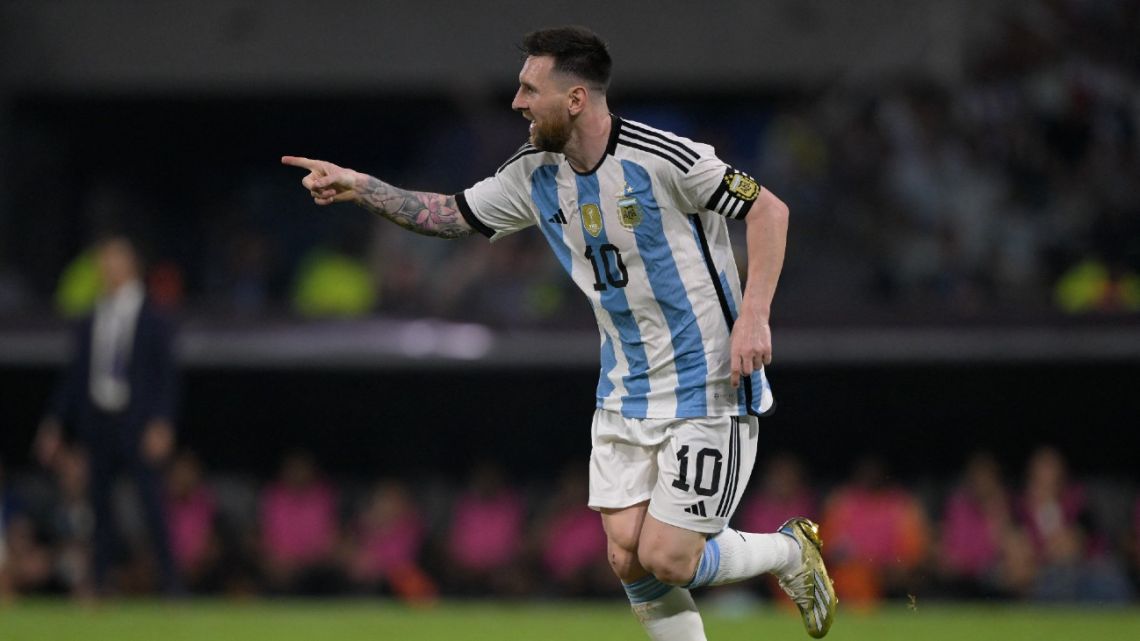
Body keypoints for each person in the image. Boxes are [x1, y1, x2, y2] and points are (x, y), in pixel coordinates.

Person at [283, 26, 836, 639]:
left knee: (669, 558)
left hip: (707, 381)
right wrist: (361, 187)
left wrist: (755, 314)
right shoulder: (532, 172)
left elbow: (769, 209)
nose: (517, 102)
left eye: (529, 88)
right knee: (627, 556)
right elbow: (450, 216)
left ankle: (789, 553)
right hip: (625, 388)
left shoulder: (666, 158)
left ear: (574, 99)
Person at [33, 235, 181, 596]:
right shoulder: (92, 317)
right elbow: (75, 377)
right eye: (103, 261)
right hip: (99, 421)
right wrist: (55, 423)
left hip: (137, 422)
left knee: (151, 505)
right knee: (99, 506)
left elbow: (167, 376)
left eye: (112, 260)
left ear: (130, 265)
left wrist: (162, 422)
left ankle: (173, 586)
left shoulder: (154, 316)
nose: (105, 267)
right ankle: (100, 583)